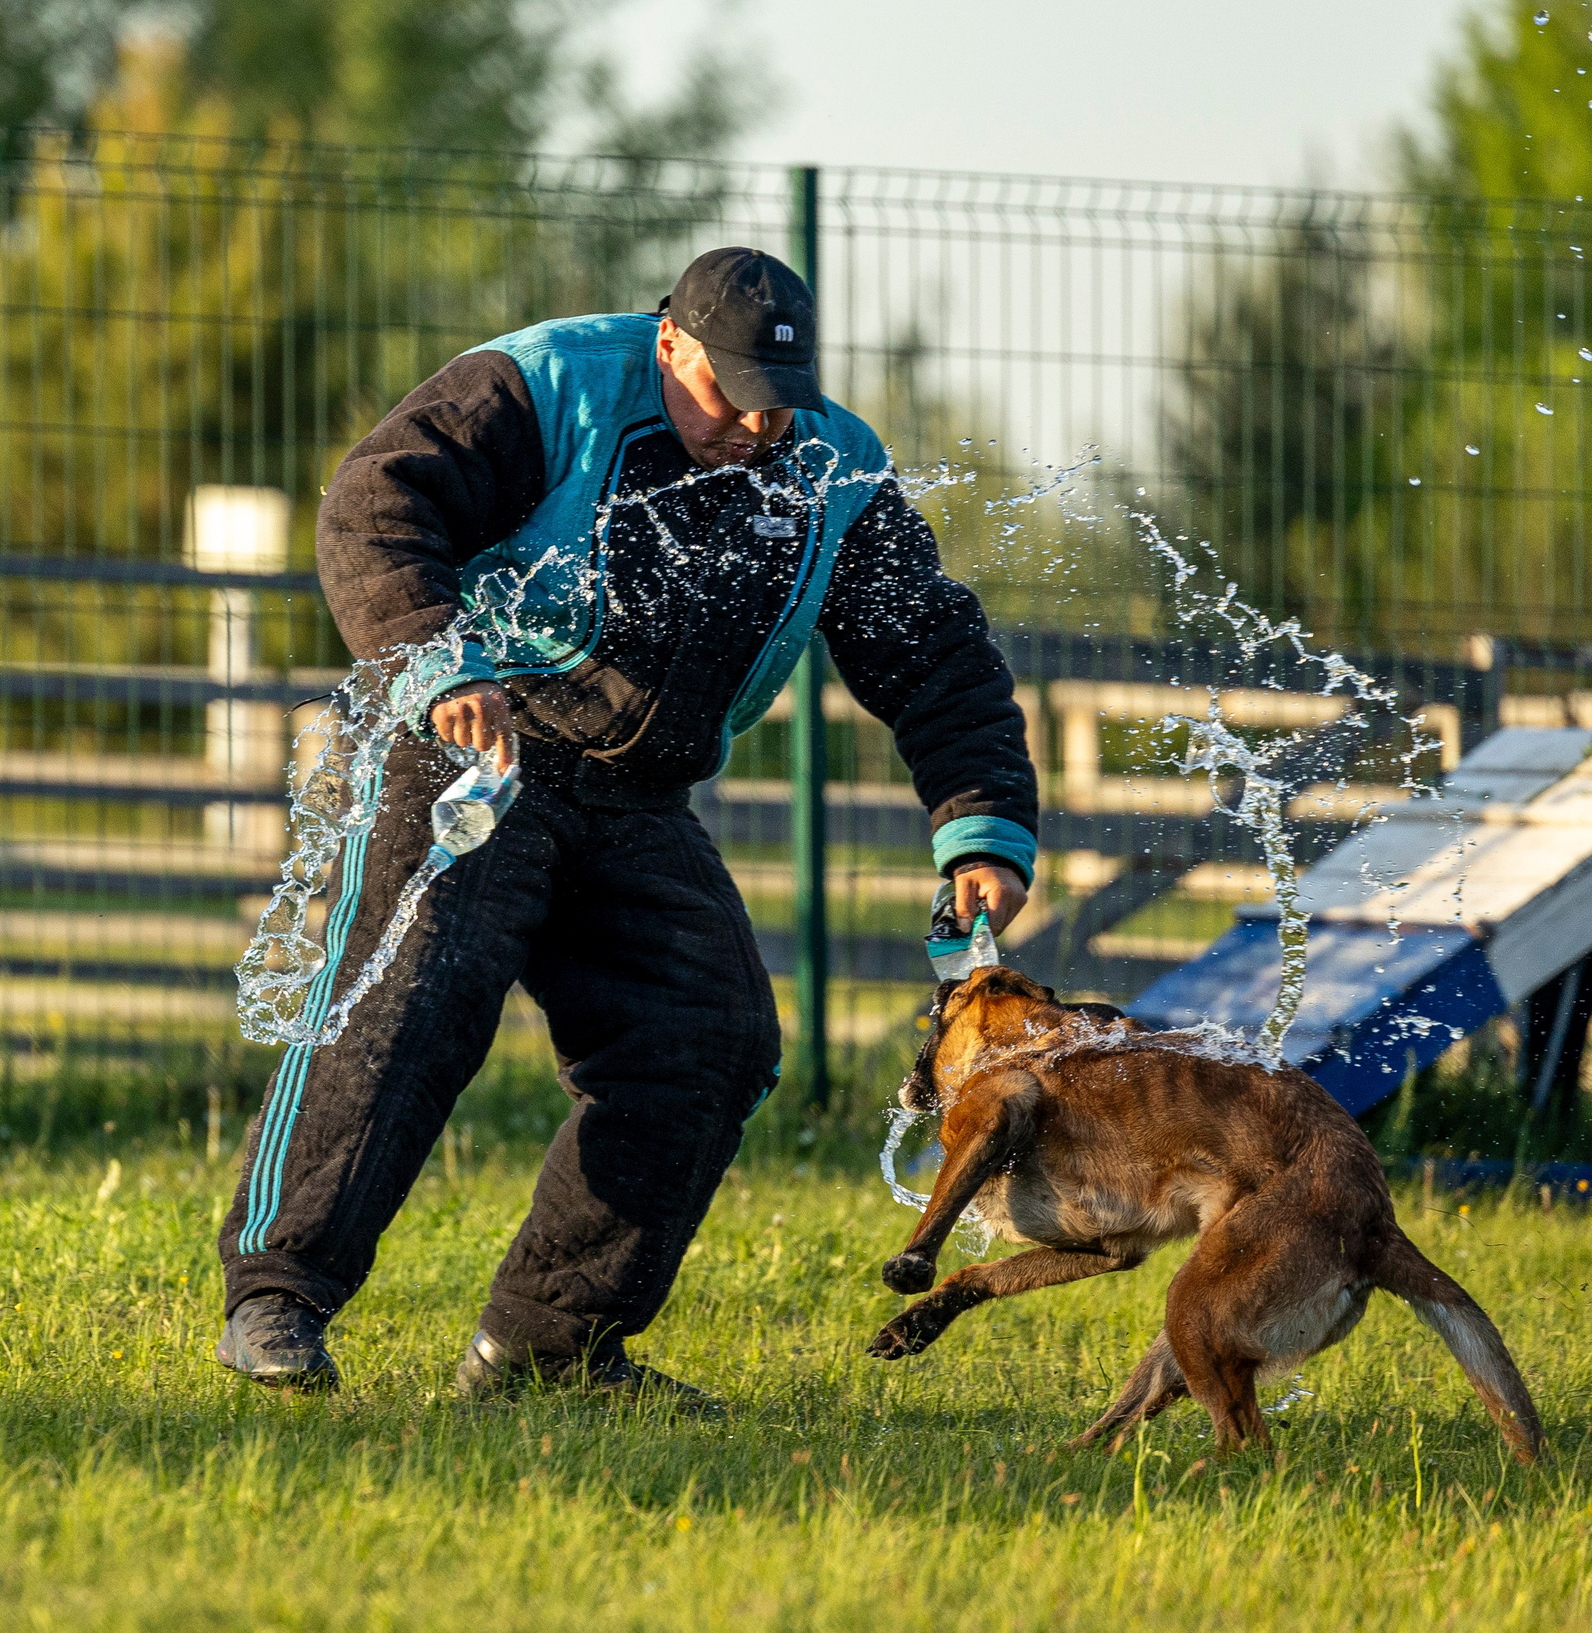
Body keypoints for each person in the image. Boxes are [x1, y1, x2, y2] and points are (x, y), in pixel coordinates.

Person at [215, 247, 1040, 1405]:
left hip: (635, 794)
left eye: (775, 404)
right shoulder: (541, 382)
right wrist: (440, 653)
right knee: (414, 998)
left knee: (708, 1040)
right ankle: (277, 1296)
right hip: (468, 752)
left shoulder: (833, 466)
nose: (753, 430)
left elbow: (931, 651)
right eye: (727, 396)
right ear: (670, 344)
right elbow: (374, 503)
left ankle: (548, 1351)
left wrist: (983, 823)